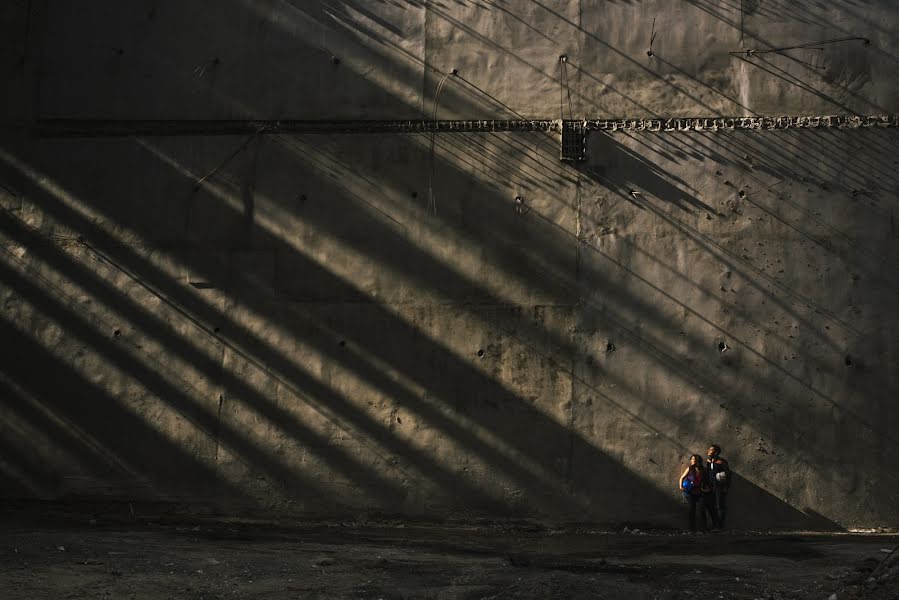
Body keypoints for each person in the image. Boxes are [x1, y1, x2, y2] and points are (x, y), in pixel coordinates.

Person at [704, 444, 731, 529]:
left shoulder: (722, 462)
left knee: (720, 506)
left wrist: (726, 486)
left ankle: (720, 527)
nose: (708, 451)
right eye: (709, 449)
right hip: (710, 488)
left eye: (711, 450)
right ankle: (714, 524)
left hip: (719, 487)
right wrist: (706, 485)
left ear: (716, 452)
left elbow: (728, 474)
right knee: (710, 506)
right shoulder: (708, 461)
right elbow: (708, 474)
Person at [678, 454, 707, 531]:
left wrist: (705, 489)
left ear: (697, 460)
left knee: (702, 509)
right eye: (691, 459)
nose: (691, 460)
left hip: (699, 492)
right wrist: (681, 487)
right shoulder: (689, 468)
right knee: (692, 509)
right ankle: (692, 528)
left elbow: (705, 482)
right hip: (689, 492)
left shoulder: (703, 470)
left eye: (693, 459)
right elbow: (682, 478)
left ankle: (704, 528)